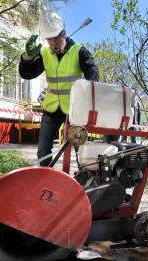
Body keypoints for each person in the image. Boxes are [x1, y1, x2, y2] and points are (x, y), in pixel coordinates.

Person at [19, 10, 99, 166]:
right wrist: (27, 57)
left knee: (80, 149)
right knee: (43, 150)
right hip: (51, 109)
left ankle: (84, 182)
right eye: (49, 39)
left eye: (56, 38)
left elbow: (93, 74)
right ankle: (46, 182)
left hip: (74, 110)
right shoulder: (45, 53)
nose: (53, 43)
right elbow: (27, 74)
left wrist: (86, 91)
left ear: (64, 34)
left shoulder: (79, 51)